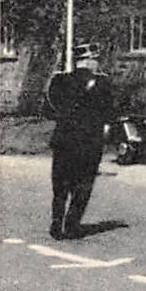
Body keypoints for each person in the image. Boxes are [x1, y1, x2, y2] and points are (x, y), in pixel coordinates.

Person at [47, 42, 116, 240]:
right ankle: (72, 224)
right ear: (89, 60)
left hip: (64, 141)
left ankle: (56, 222)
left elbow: (49, 109)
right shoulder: (102, 84)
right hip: (89, 142)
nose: (96, 63)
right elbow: (110, 112)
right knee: (83, 184)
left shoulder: (59, 81)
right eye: (95, 60)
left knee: (60, 184)